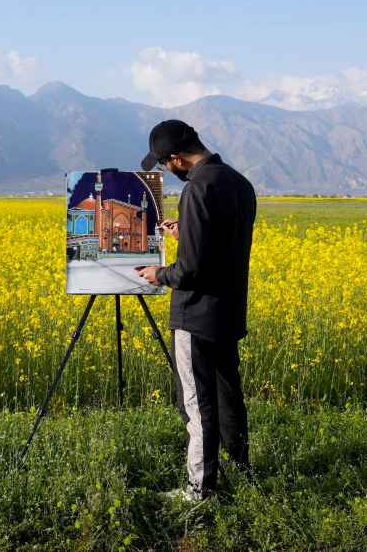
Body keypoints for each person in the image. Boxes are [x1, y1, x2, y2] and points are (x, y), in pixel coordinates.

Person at [136, 119, 257, 502]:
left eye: (164, 165)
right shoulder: (238, 182)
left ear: (176, 160)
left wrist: (159, 273)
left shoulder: (197, 190)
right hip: (227, 311)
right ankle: (240, 469)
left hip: (195, 315)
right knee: (227, 394)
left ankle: (198, 490)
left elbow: (190, 269)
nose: (167, 173)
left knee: (197, 403)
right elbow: (220, 244)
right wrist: (185, 230)